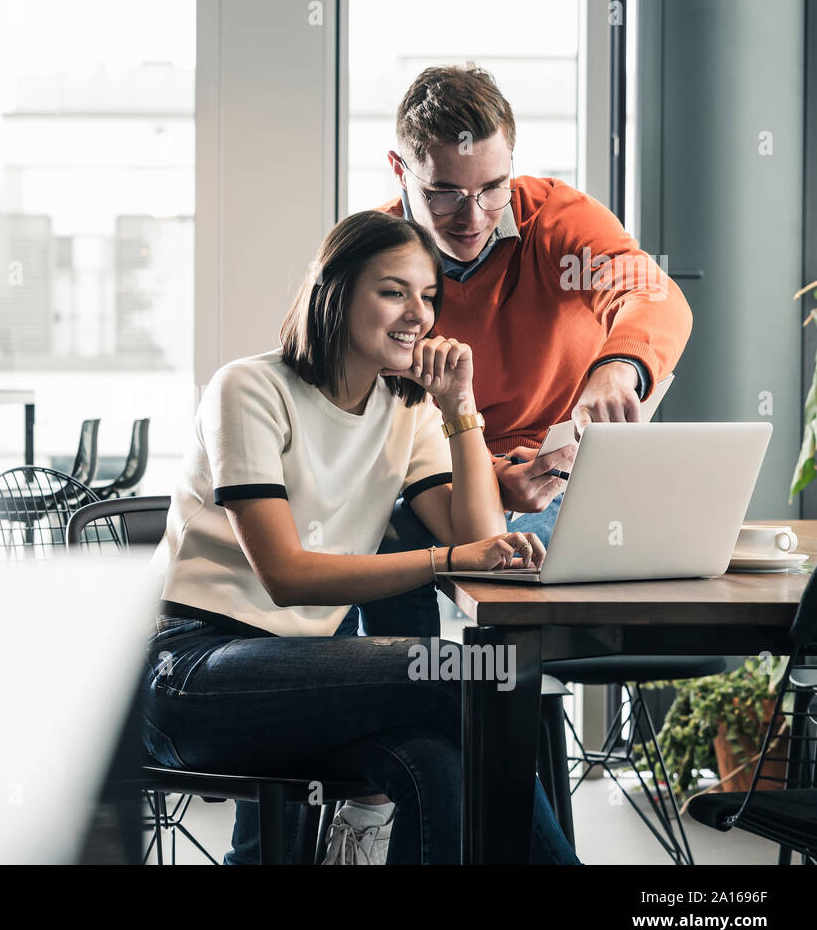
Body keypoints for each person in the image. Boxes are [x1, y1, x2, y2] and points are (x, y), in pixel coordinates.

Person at [144, 209, 580, 864]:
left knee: (437, 761)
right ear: (336, 290)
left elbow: (481, 544)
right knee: (468, 672)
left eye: (429, 295)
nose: (419, 315)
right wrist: (444, 560)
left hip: (310, 679)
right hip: (193, 672)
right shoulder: (249, 388)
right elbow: (285, 575)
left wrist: (462, 408)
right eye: (393, 291)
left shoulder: (408, 409)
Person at [361, 63, 693, 640]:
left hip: (559, 472)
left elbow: (651, 292)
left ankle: (498, 715)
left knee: (523, 578)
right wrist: (488, 478)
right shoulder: (370, 257)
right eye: (444, 194)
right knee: (389, 539)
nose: (472, 217)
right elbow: (373, 425)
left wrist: (621, 368)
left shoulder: (559, 219)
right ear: (400, 169)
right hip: (429, 477)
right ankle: (416, 708)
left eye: (493, 188)